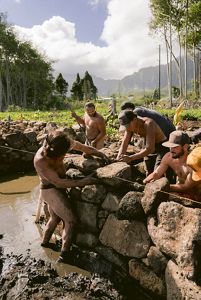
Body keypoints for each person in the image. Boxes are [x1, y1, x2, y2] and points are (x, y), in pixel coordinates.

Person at [34, 130, 109, 263]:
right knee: (71, 220)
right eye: (62, 156)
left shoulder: (63, 142)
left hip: (55, 187)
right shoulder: (41, 160)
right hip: (50, 189)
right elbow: (59, 182)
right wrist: (84, 181)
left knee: (55, 218)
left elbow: (83, 147)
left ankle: (45, 243)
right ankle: (65, 255)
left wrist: (100, 153)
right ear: (55, 153)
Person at [117, 110, 169, 175]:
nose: (127, 128)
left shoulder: (148, 124)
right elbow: (124, 143)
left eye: (128, 125)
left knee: (157, 173)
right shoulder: (129, 128)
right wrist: (119, 157)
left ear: (134, 119)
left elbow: (150, 148)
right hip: (148, 144)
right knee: (148, 171)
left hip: (161, 146)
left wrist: (130, 158)